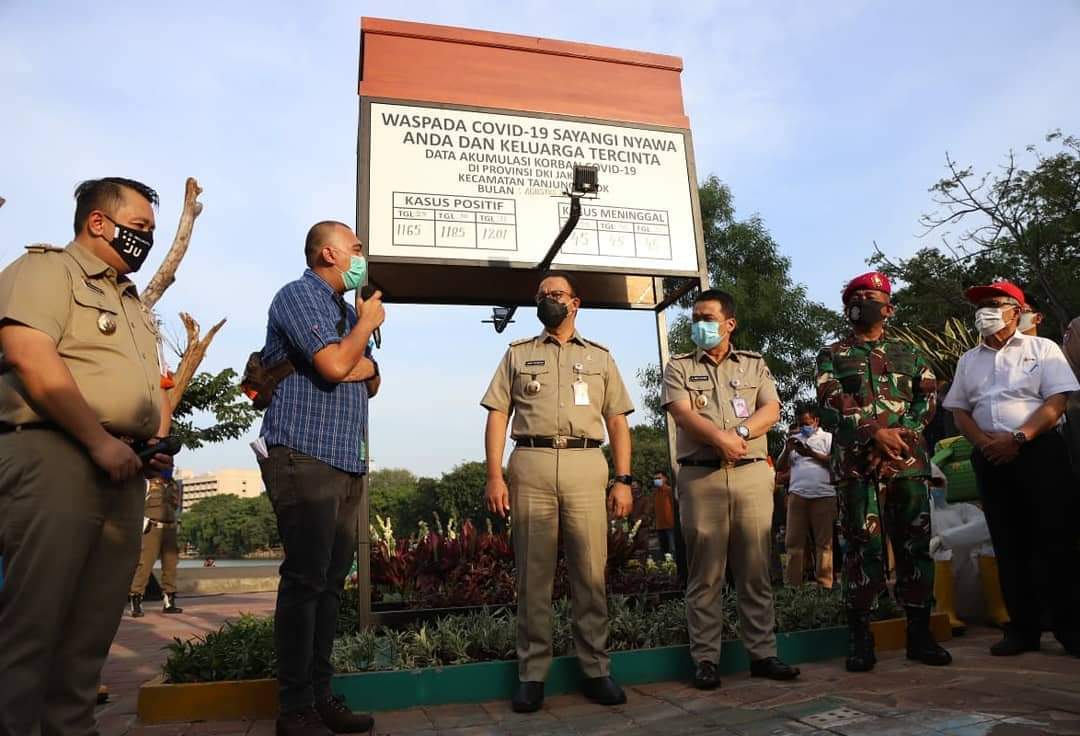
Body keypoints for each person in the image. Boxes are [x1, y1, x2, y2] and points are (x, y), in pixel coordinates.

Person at [0, 177, 175, 735]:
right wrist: (98, 440)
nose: (145, 240)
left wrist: (142, 448)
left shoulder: (130, 302)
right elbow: (29, 354)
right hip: (57, 456)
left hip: (121, 472)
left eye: (151, 231)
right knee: (34, 625)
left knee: (89, 634)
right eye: (139, 227)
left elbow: (137, 388)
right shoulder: (46, 271)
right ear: (98, 222)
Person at [482, 272, 634, 713]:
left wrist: (623, 480)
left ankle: (596, 669)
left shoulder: (601, 358)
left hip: (587, 463)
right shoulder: (518, 354)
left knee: (591, 573)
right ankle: (532, 675)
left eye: (557, 295)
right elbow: (497, 415)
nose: (549, 300)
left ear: (576, 303)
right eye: (543, 295)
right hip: (529, 462)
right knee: (533, 575)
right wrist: (495, 475)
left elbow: (619, 421)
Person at [256, 220, 384, 735]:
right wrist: (361, 332)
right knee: (306, 581)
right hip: (304, 454)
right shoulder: (298, 295)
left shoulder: (342, 311)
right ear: (328, 252)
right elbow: (335, 366)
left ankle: (321, 696)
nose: (361, 256)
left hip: (347, 458)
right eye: (355, 248)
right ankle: (295, 709)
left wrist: (352, 350)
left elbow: (371, 379)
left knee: (330, 584)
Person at [661, 288, 800, 690]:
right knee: (705, 574)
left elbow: (771, 410)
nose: (699, 325)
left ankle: (763, 654)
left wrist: (738, 433)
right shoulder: (680, 367)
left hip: (751, 472)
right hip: (701, 476)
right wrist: (721, 440)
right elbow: (682, 414)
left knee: (756, 568)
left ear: (729, 323)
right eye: (695, 319)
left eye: (707, 317)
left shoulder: (754, 365)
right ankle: (706, 659)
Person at [816, 271, 951, 672]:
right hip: (857, 470)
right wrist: (874, 434)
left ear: (888, 308)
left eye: (869, 296)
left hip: (906, 468)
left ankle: (919, 635)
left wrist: (899, 439)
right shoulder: (832, 354)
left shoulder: (911, 353)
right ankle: (861, 638)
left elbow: (927, 402)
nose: (860, 302)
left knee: (914, 547)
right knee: (861, 550)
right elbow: (828, 403)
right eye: (854, 297)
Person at [942, 280, 1079, 657]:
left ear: (1016, 312)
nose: (984, 311)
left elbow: (1057, 402)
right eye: (980, 305)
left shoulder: (1042, 348)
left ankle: (1071, 628)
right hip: (990, 456)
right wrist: (987, 444)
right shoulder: (969, 360)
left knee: (1056, 540)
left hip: (1039, 452)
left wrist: (1017, 438)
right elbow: (959, 411)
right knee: (1007, 542)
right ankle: (1022, 629)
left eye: (994, 303)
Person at [776, 404, 836, 588]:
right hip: (797, 495)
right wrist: (788, 449)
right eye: (800, 423)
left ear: (816, 421)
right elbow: (779, 467)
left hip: (823, 495)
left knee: (824, 544)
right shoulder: (794, 439)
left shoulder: (828, 438)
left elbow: (835, 462)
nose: (803, 427)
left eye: (806, 423)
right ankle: (793, 586)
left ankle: (825, 585)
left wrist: (810, 453)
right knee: (793, 543)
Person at [129, 471, 185, 616]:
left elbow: (178, 507)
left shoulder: (175, 485)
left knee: (171, 566)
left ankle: (169, 602)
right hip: (152, 528)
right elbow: (135, 505)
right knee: (144, 565)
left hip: (170, 529)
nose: (170, 467)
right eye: (167, 464)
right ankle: (136, 602)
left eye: (172, 464)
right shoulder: (147, 483)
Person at [652, 470, 677, 561]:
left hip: (670, 525)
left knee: (673, 549)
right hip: (659, 526)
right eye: (655, 478)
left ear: (665, 479)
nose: (656, 480)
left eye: (659, 478)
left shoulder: (670, 491)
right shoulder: (655, 493)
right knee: (663, 551)